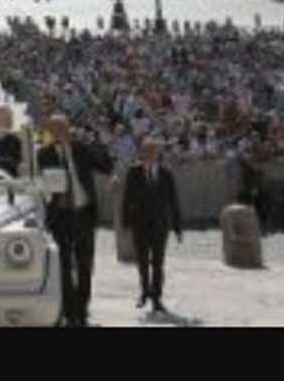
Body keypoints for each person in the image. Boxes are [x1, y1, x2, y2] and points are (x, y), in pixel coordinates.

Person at [37, 114, 112, 327]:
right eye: (55, 129)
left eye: (63, 128)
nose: (60, 133)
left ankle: (82, 309)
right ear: (50, 132)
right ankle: (68, 310)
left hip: (83, 213)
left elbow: (105, 166)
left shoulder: (82, 149)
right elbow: (40, 183)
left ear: (69, 129)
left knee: (85, 263)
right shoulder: (44, 154)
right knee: (62, 264)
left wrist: (99, 142)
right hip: (60, 215)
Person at [121, 137, 184, 314]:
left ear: (157, 154)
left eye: (153, 151)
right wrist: (126, 222)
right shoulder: (133, 172)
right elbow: (127, 198)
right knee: (142, 262)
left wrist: (177, 227)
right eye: (147, 151)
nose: (150, 154)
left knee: (158, 262)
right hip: (140, 224)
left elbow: (173, 201)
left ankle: (157, 297)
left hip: (159, 225)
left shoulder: (166, 173)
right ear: (141, 153)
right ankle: (144, 292)